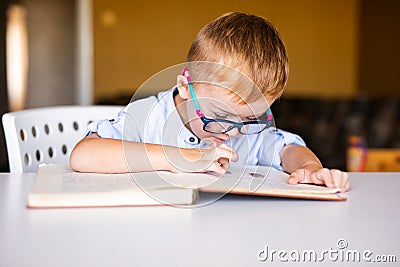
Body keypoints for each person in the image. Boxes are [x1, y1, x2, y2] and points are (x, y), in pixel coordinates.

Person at [70, 12, 349, 192]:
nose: (232, 133)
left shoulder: (245, 132)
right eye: (217, 116)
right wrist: (180, 157)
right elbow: (84, 155)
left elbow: (288, 149)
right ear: (185, 86)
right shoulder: (149, 117)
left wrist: (310, 169)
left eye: (250, 120)